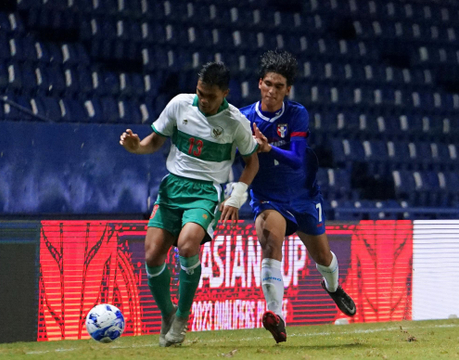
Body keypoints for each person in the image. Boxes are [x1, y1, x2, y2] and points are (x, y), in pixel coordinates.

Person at [119, 61, 259, 347]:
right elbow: (155, 141)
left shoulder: (235, 122)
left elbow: (252, 163)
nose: (204, 101)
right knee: (152, 255)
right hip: (172, 186)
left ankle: (182, 318)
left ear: (225, 93)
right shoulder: (180, 104)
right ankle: (168, 314)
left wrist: (236, 197)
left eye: (211, 96)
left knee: (186, 245)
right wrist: (137, 147)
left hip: (205, 191)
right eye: (200, 93)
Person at [239, 50, 357, 343]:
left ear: (287, 89)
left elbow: (296, 158)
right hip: (268, 196)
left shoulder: (296, 113)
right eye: (268, 83)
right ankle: (276, 316)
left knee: (322, 256)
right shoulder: (242, 118)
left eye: (279, 86)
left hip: (303, 194)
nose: (272, 91)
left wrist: (268, 149)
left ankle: (332, 286)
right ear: (259, 83)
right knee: (270, 242)